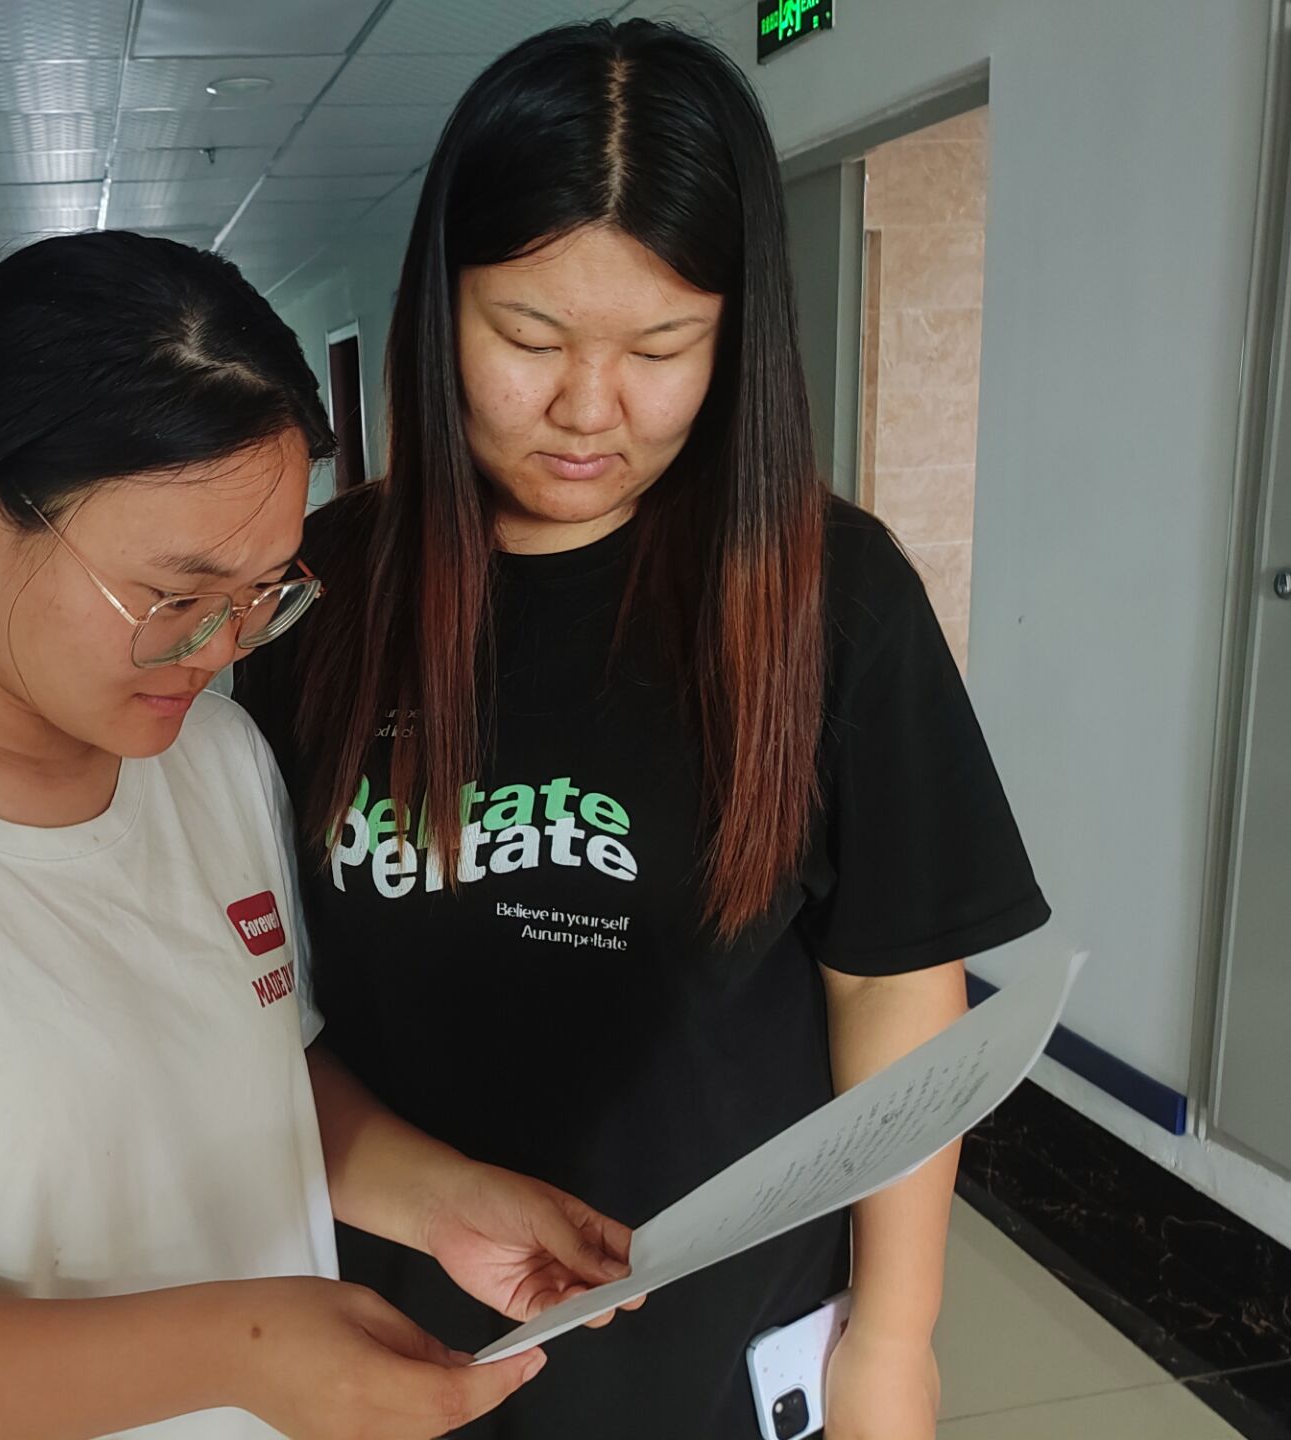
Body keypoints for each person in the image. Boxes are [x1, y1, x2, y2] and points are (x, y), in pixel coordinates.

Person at [0, 230, 639, 1440]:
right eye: (175, 597)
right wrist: (243, 1354)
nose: (220, 648)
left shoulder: (214, 757)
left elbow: (262, 1071)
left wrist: (440, 1201)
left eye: (262, 594)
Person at [234, 21, 1050, 1440]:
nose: (587, 409)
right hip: (391, 1332)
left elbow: (894, 993)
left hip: (725, 1351)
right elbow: (253, 1009)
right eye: (527, 339)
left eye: (663, 347)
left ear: (735, 338)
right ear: (439, 312)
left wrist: (895, 1339)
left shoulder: (828, 596)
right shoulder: (315, 601)